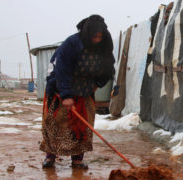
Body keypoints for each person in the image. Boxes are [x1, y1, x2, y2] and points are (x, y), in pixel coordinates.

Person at [40, 14, 115, 169]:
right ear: (88, 33)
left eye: (100, 36)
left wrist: (97, 84)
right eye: (95, 36)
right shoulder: (72, 43)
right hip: (60, 86)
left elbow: (108, 68)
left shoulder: (105, 43)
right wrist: (66, 95)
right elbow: (62, 70)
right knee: (55, 123)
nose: (97, 40)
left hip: (85, 89)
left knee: (82, 126)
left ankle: (77, 160)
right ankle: (50, 157)